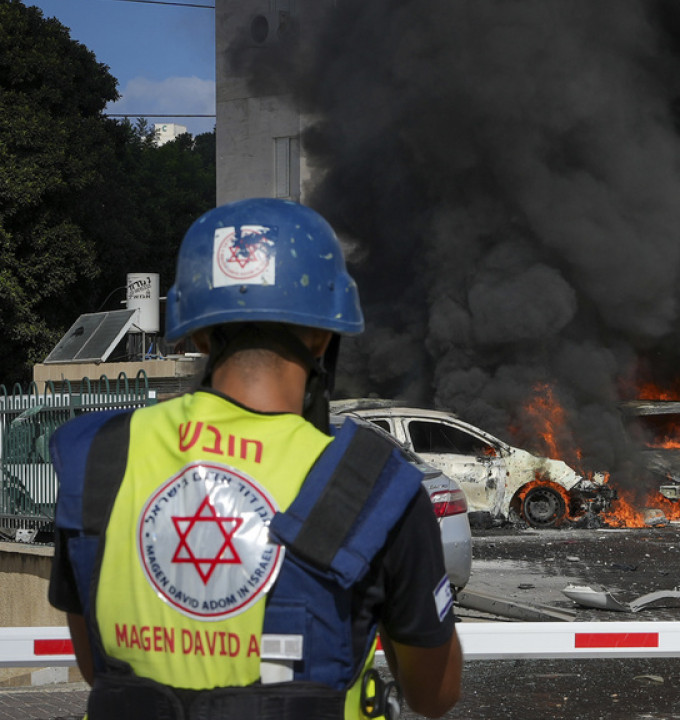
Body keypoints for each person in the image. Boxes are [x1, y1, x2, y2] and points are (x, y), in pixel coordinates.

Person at [47, 198, 462, 719]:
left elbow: (96, 666)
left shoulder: (100, 458)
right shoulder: (372, 485)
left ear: (198, 331)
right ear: (321, 334)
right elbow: (434, 695)